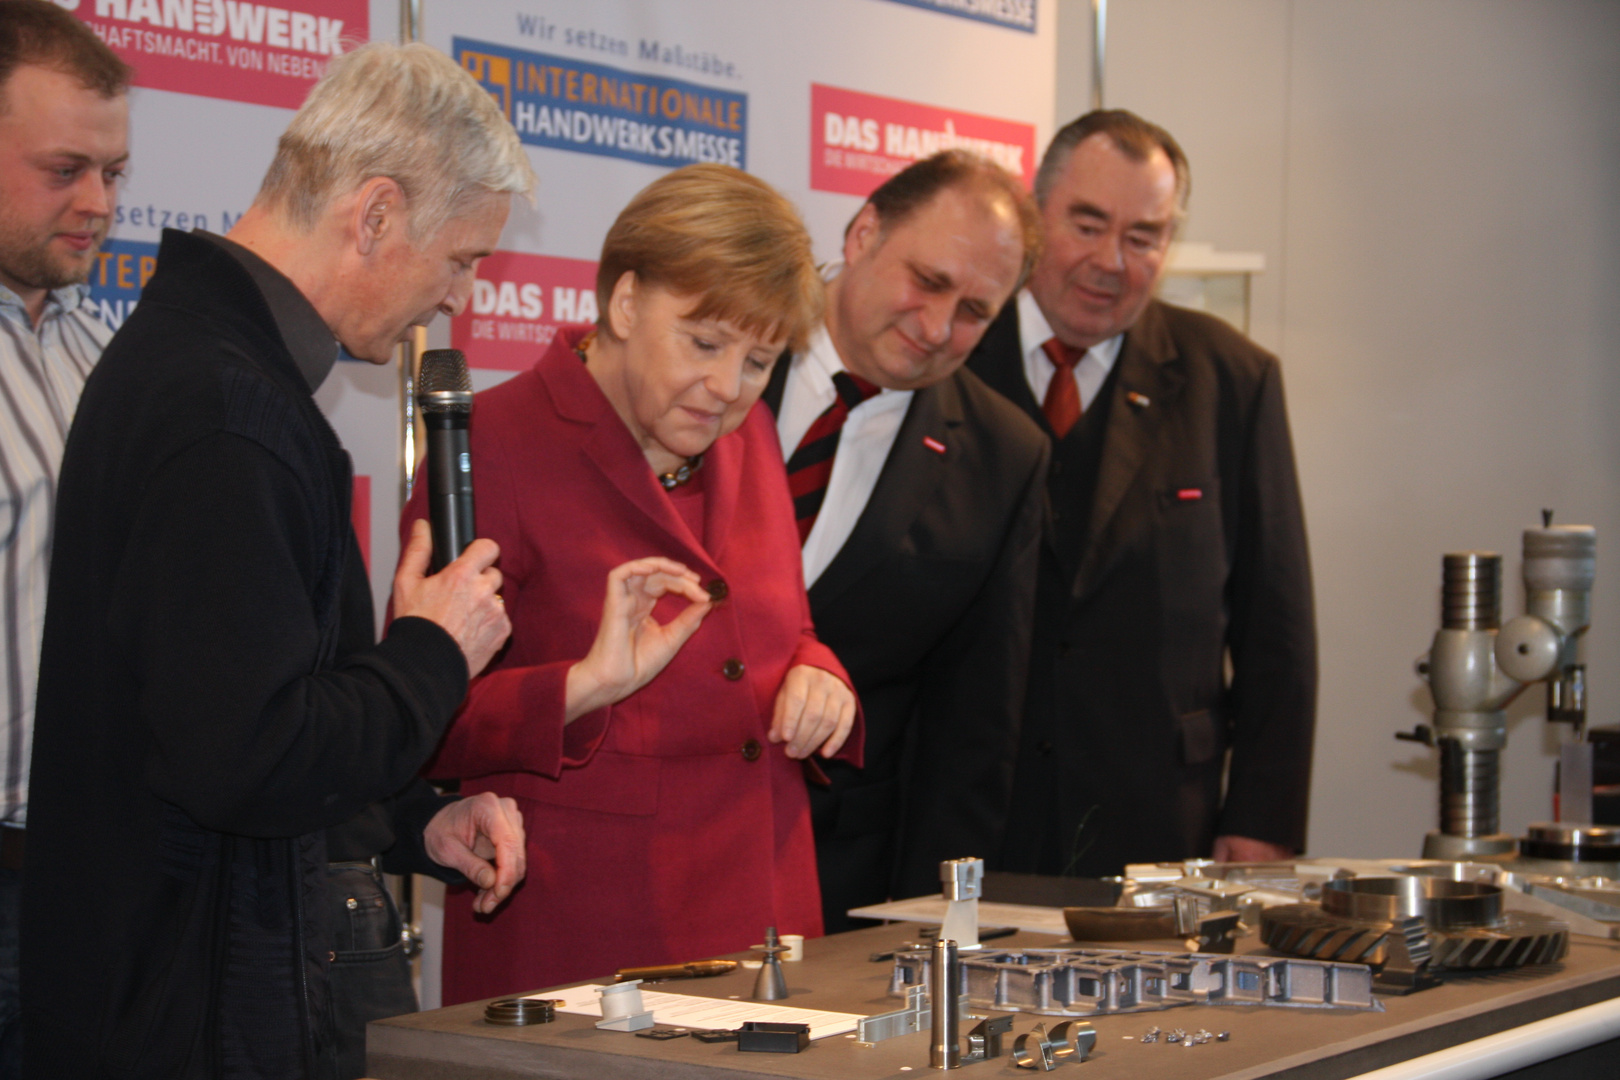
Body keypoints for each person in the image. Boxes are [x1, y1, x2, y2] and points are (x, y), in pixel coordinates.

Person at [14, 42, 673, 1080]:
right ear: (373, 215)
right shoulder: (228, 412)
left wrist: (415, 822)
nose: (458, 299)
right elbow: (252, 760)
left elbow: (220, 716)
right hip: (181, 1016)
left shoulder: (206, 370)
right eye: (460, 259)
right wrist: (431, 651)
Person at [404, 163, 861, 1004]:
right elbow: (427, 722)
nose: (727, 387)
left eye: (758, 361)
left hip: (764, 921)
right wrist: (581, 688)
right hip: (587, 940)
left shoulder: (750, 434)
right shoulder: (493, 445)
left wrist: (818, 671)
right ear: (622, 305)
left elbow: (777, 628)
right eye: (704, 342)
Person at [967, 109, 1316, 877]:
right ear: (1034, 216)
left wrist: (1262, 821)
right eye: (1086, 225)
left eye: (1143, 236)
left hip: (1158, 823)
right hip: (967, 818)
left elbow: (1276, 626)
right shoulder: (951, 359)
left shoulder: (1232, 379)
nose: (1111, 261)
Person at [761, 151, 1048, 931]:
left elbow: (974, 730)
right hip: (634, 838)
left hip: (831, 877)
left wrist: (932, 927)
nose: (936, 329)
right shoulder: (715, 345)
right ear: (862, 234)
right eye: (926, 281)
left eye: (975, 312)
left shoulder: (1004, 455)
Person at [0, 3, 128, 1075]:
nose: (98, 204)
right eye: (64, 169)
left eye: (114, 173)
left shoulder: (107, 360)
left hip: (96, 880)